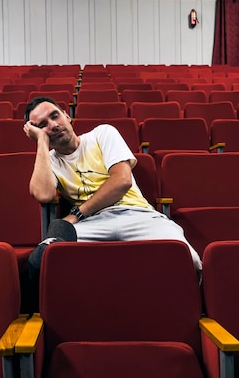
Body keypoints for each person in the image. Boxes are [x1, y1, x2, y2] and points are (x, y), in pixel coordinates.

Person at [23, 96, 202, 273]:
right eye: (42, 125)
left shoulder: (102, 134)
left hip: (136, 214)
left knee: (189, 260)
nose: (53, 125)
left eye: (55, 116)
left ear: (66, 116)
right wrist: (41, 143)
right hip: (91, 224)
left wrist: (77, 214)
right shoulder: (49, 161)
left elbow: (122, 181)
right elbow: (43, 195)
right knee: (44, 258)